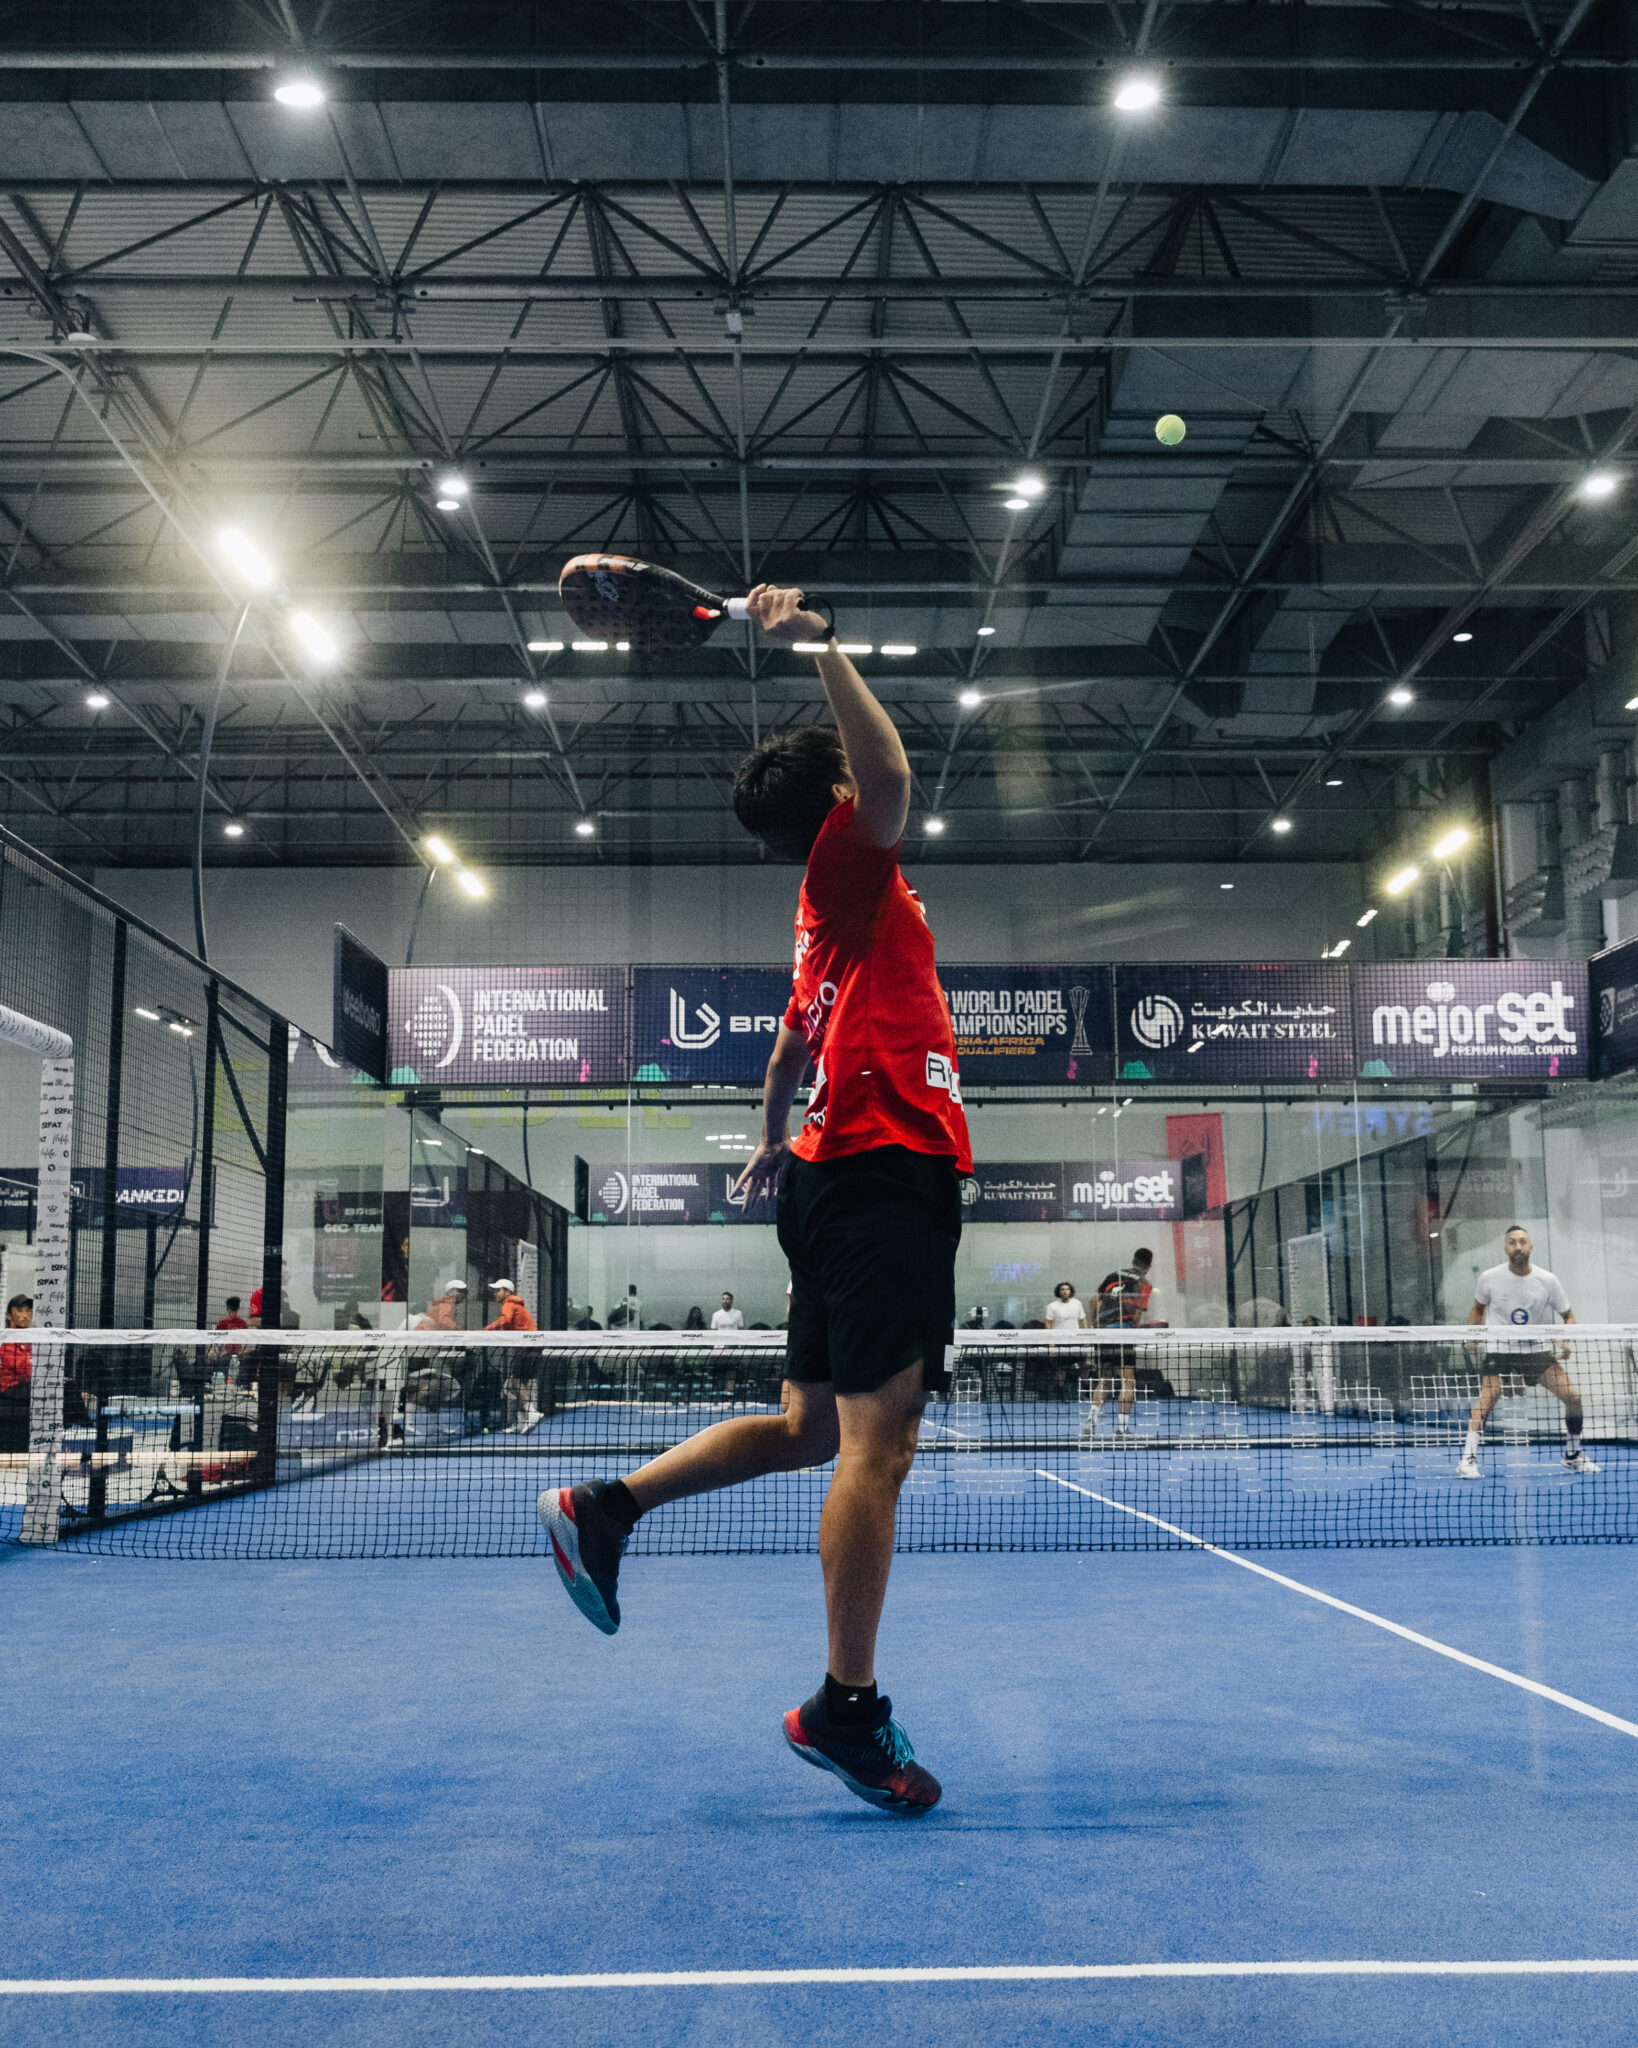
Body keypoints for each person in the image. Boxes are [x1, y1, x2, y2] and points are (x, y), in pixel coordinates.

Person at [541, 582, 970, 1813]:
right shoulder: (850, 857)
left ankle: (606, 1505)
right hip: (883, 1166)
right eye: (847, 782)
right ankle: (847, 1708)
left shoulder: (826, 921)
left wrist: (774, 1138)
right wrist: (824, 643)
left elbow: (786, 1047)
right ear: (831, 798)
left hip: (831, 1169)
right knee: (879, 1446)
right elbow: (892, 779)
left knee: (810, 1430)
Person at [1459, 1225, 1598, 1479]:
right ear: (1505, 1248)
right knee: (1489, 1397)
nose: (1518, 1247)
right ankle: (1468, 1458)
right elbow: (1478, 1309)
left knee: (1573, 1398)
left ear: (1531, 1247)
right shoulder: (1489, 1277)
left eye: (1523, 1242)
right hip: (1500, 1349)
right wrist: (1474, 1335)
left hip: (1536, 1351)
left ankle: (1573, 1454)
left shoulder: (1548, 1280)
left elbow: (1568, 1315)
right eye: (1512, 1242)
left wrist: (1566, 1341)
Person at [1082, 1249, 1156, 1444]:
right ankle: (1122, 1430)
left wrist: (1096, 1325)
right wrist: (1131, 1330)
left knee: (1105, 1380)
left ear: (1133, 1261)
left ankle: (1090, 1421)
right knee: (1127, 1381)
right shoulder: (1144, 1284)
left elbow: (1093, 1301)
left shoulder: (1112, 1276)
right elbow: (1137, 1316)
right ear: (1148, 1266)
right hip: (1123, 1333)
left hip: (1103, 1334)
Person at [487, 1277, 540, 1433]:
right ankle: (521, 1422)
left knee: (515, 1382)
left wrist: (487, 1329)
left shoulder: (509, 1303)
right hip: (530, 1346)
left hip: (526, 1346)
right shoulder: (516, 1305)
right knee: (516, 1385)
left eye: (498, 1290)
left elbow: (506, 1319)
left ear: (507, 1292)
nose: (495, 1294)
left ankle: (532, 1413)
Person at [0, 1293, 33, 1454]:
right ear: (9, 1315)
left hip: (25, 1386)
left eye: (28, 1311)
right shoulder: (6, 1339)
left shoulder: (30, 1339)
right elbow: (23, 1369)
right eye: (20, 1310)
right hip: (9, 1388)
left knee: (67, 1386)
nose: (25, 1315)